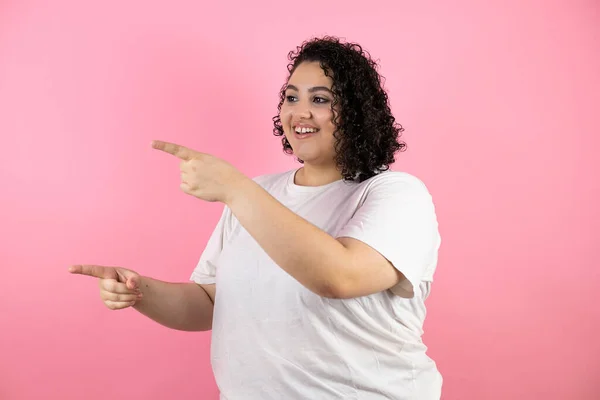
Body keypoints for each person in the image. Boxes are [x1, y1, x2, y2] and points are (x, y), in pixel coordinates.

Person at [70, 36, 443, 399]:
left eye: (321, 99)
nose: (300, 112)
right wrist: (140, 292)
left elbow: (339, 277)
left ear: (358, 111)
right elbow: (212, 303)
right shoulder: (258, 193)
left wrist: (234, 188)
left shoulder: (396, 194)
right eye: (291, 97)